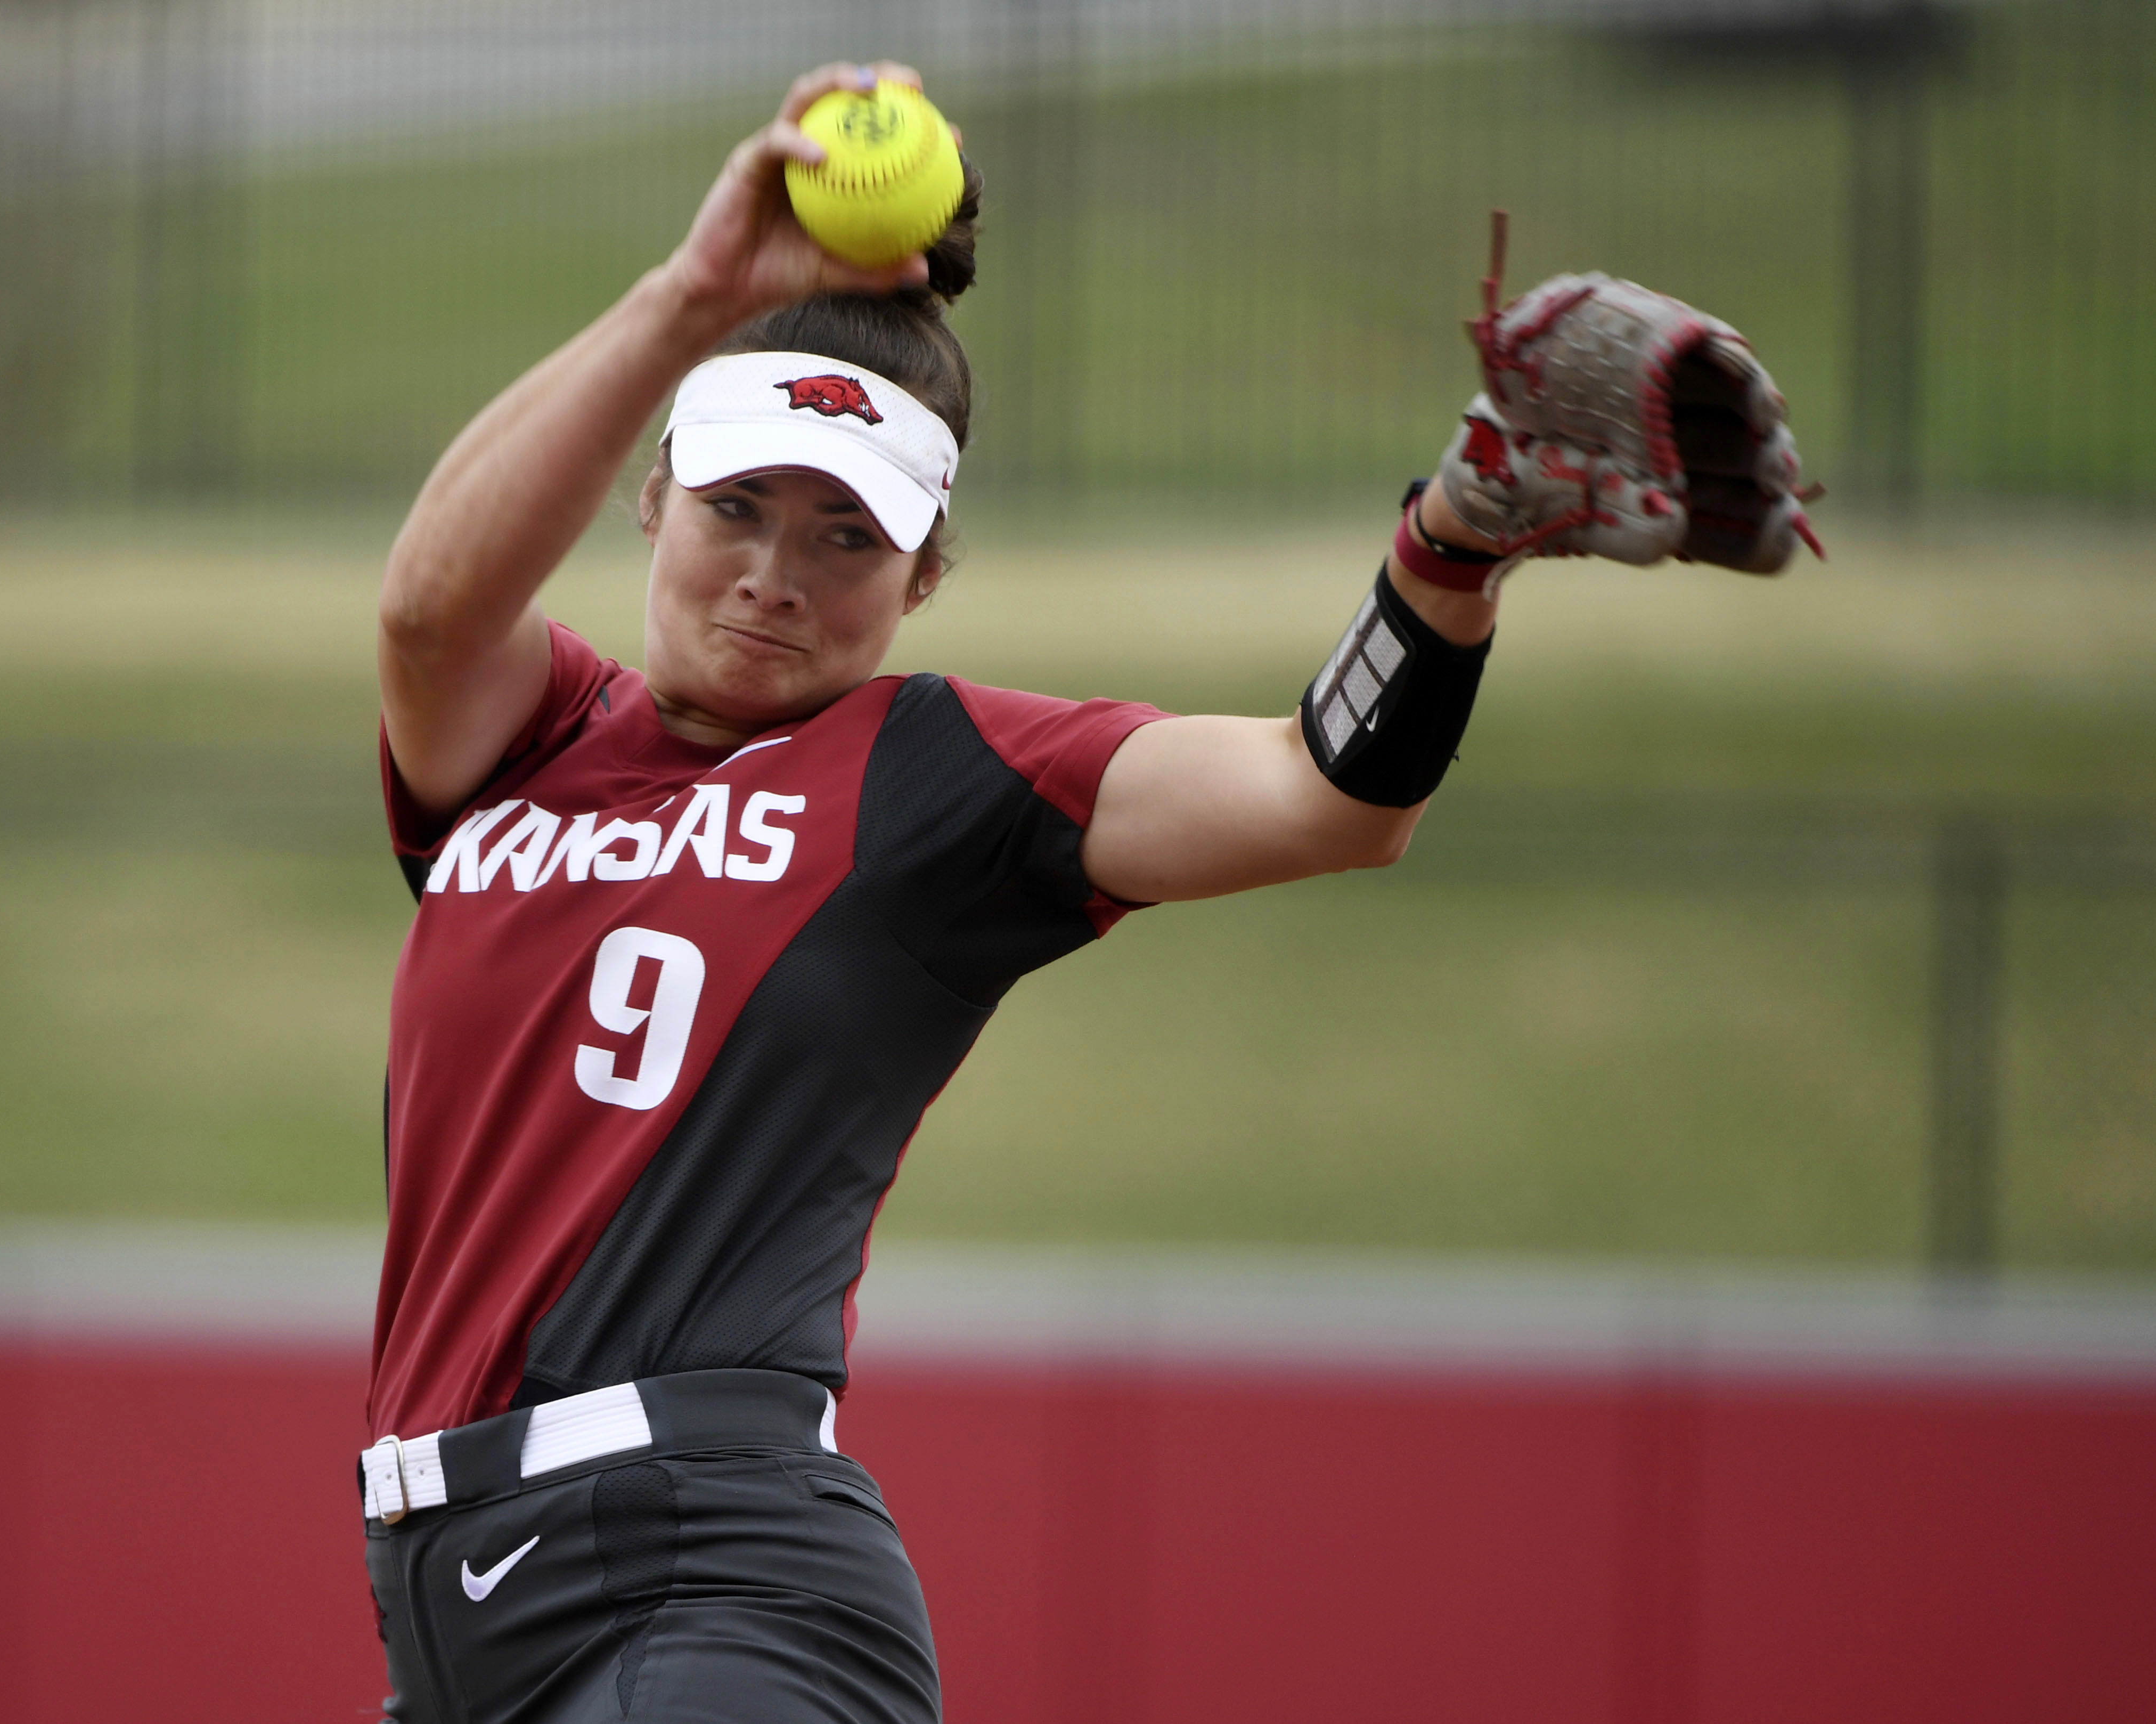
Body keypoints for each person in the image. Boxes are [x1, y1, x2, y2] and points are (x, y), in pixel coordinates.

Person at [361, 60, 1506, 1724]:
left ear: (927, 572)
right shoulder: (524, 741)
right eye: (739, 506)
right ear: (653, 497)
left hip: (710, 1578)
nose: (775, 570)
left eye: (847, 535)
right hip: (448, 1611)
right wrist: (694, 298)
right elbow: (423, 611)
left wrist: (1453, 551)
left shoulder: (932, 775)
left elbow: (1325, 793)